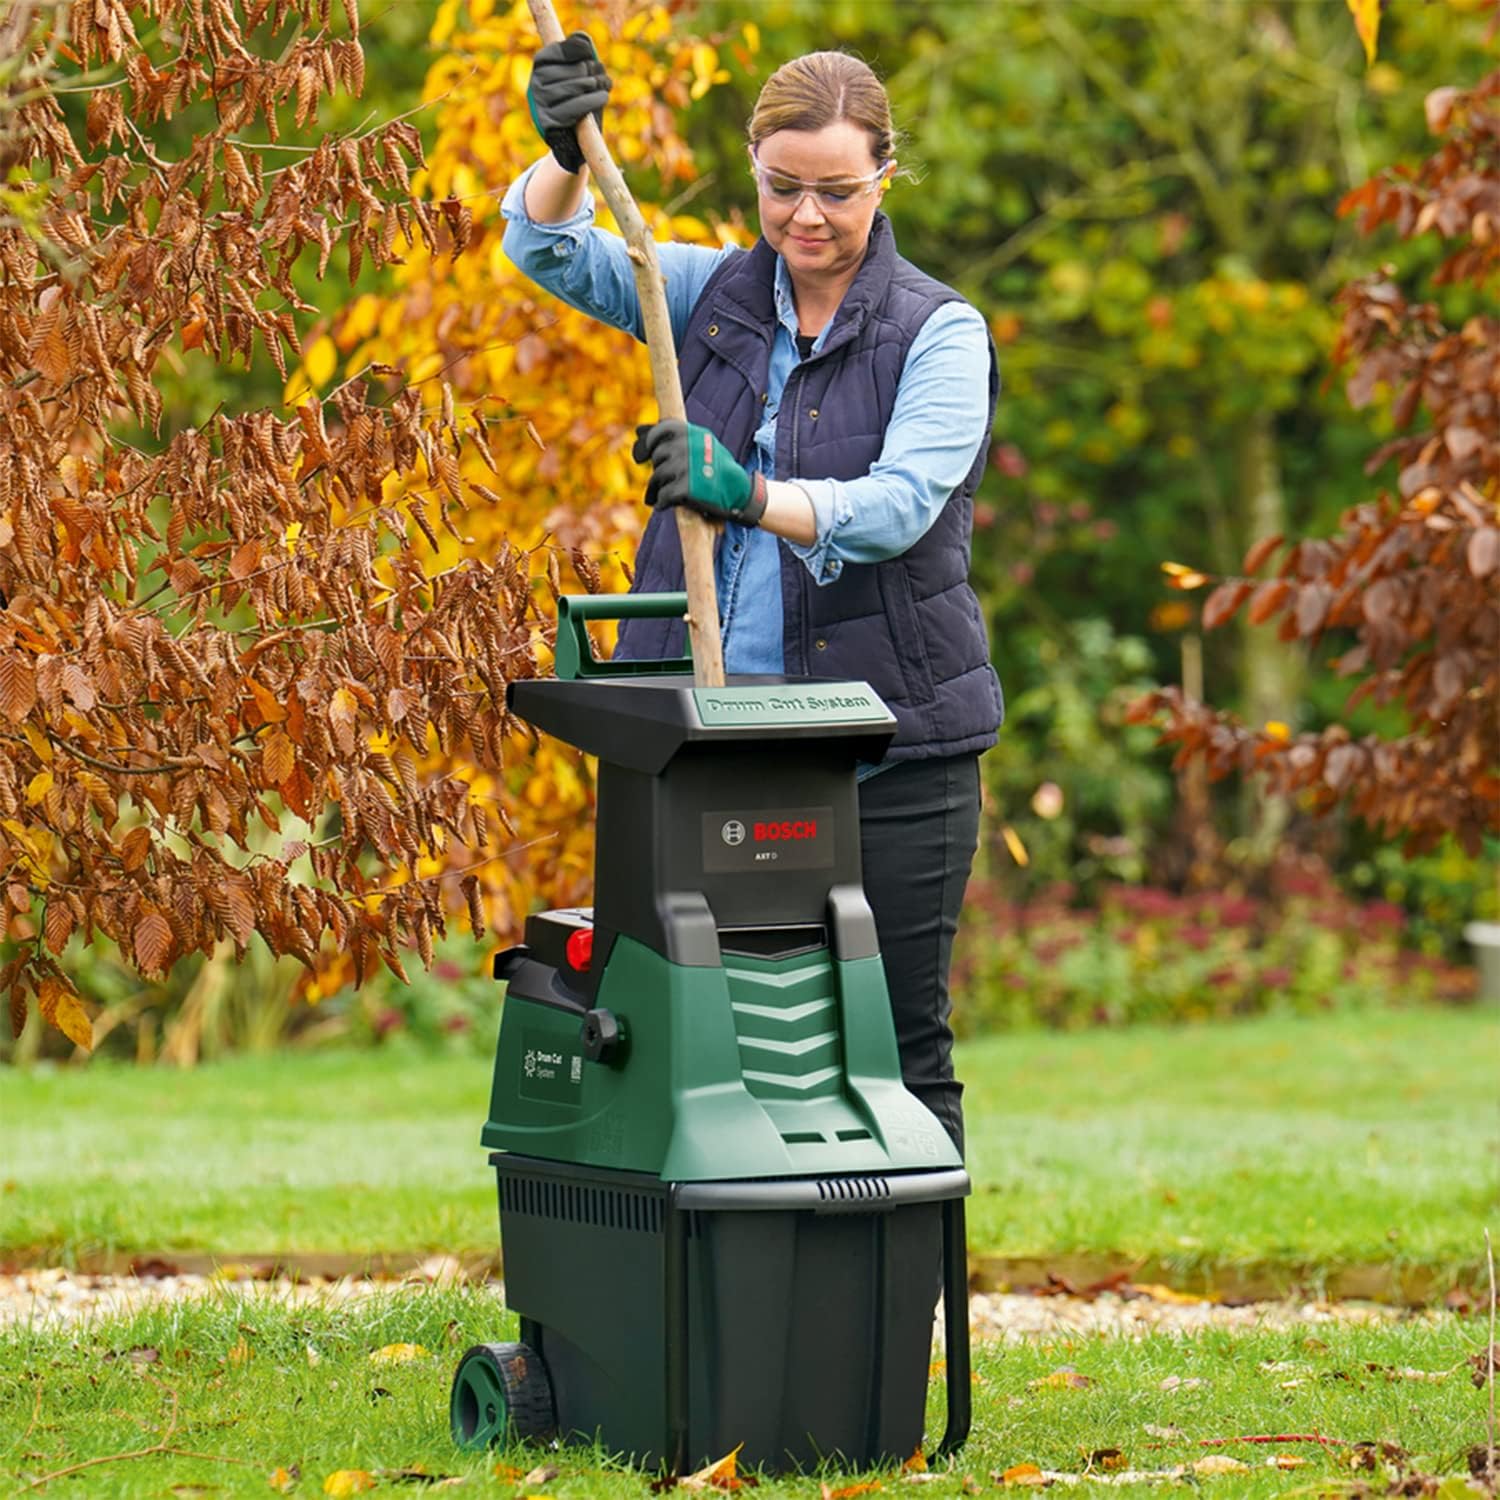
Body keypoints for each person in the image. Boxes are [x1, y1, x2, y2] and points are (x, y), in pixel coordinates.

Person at [505, 37, 1002, 1156]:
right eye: (784, 187)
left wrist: (751, 493)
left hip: (886, 754)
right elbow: (547, 247)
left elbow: (900, 505)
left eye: (838, 190)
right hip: (710, 751)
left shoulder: (939, 331)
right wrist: (565, 157)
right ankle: (727, 1266)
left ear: (886, 177)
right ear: (754, 171)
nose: (806, 216)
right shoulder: (704, 294)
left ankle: (900, 1272)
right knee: (703, 1044)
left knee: (896, 1046)